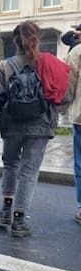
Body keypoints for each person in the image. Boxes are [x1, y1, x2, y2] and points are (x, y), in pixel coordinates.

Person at [0, 21, 69, 237]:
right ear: (37, 38)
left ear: (15, 41)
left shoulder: (5, 66)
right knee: (29, 171)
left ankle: (5, 210)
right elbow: (64, 97)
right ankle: (19, 219)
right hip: (40, 125)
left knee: (11, 165)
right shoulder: (50, 63)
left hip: (11, 124)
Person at [63, 30, 81, 224]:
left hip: (80, 116)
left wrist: (60, 109)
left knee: (80, 162)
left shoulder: (76, 53)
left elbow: (68, 85)